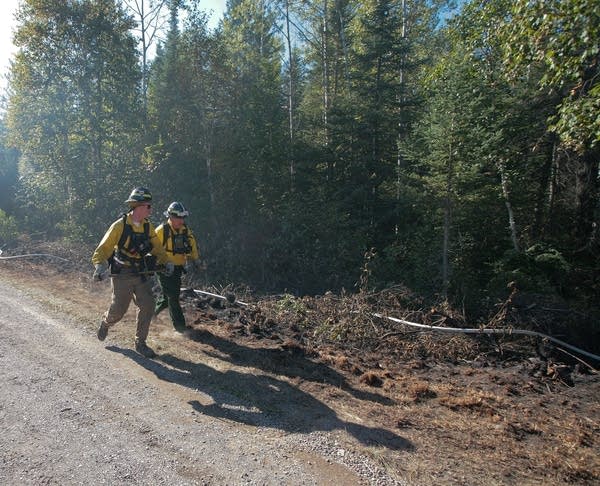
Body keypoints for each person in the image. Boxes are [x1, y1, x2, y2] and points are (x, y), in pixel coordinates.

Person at [91, 187, 174, 358]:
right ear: (138, 206)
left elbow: (158, 248)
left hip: (141, 272)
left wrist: (167, 262)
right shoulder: (120, 226)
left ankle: (140, 343)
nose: (151, 209)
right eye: (148, 206)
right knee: (118, 311)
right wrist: (99, 266)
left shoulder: (147, 227)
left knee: (148, 305)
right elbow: (103, 249)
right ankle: (106, 322)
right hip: (122, 274)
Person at [154, 201, 203, 332]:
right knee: (173, 296)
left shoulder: (186, 231)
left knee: (167, 297)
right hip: (163, 269)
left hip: (178, 269)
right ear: (170, 217)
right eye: (178, 217)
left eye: (183, 217)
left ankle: (150, 314)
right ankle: (180, 327)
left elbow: (192, 246)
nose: (181, 220)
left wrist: (196, 260)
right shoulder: (161, 231)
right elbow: (152, 248)